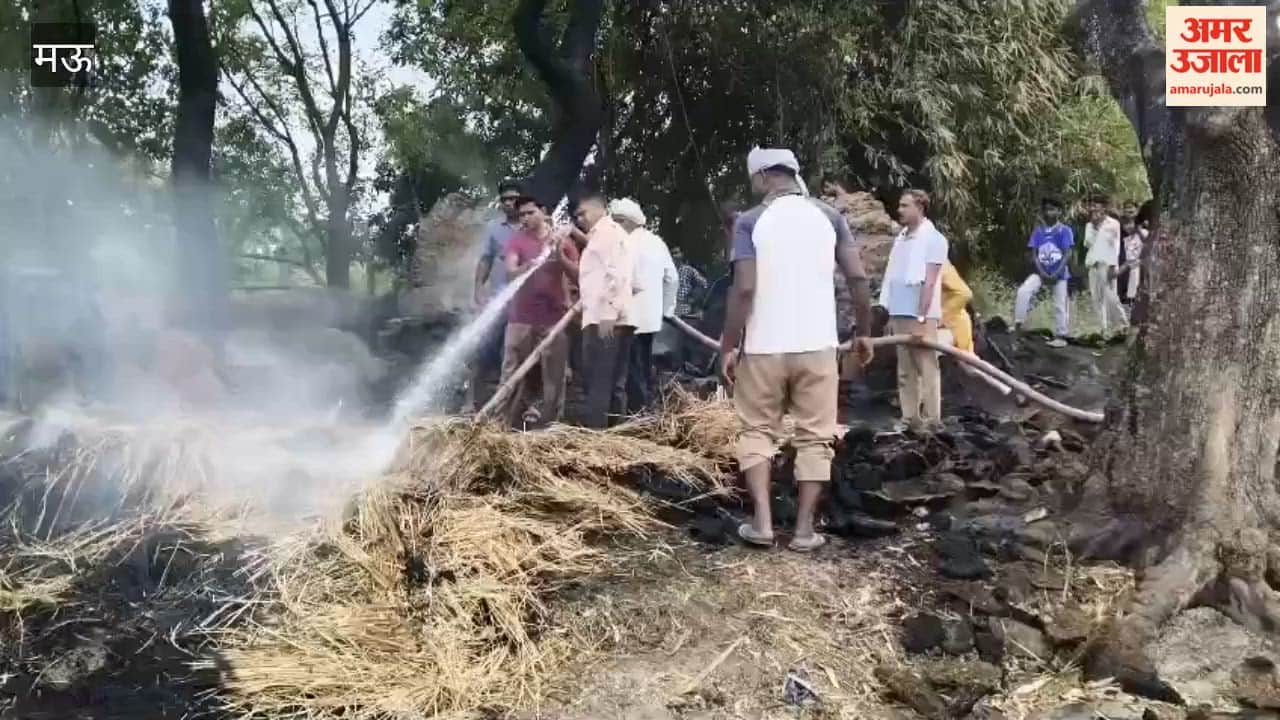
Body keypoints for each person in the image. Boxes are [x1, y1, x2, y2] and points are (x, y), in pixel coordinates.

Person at [721, 147, 874, 552]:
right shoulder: (830, 216)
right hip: (819, 347)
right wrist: (864, 333)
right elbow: (858, 280)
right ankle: (805, 531)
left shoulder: (750, 222)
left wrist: (728, 345)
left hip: (764, 348)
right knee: (815, 438)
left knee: (756, 431)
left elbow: (745, 288)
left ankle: (763, 525)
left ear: (761, 178)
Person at [496, 196, 580, 428]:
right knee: (512, 373)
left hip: (554, 320)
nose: (525, 218)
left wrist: (559, 256)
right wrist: (529, 266)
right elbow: (511, 272)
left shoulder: (562, 240)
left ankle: (550, 427)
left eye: (530, 213)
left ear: (543, 211)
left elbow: (577, 275)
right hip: (520, 319)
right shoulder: (516, 241)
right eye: (521, 215)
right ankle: (502, 425)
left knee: (554, 376)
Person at [881, 189, 948, 431]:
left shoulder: (934, 240)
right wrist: (890, 313)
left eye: (904, 205)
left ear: (919, 208)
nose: (899, 210)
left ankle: (932, 419)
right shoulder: (901, 240)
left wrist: (921, 317)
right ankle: (910, 418)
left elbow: (929, 282)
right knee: (905, 369)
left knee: (927, 367)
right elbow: (894, 277)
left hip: (921, 312)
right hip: (900, 310)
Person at [576, 191, 639, 428]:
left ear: (599, 209)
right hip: (607, 316)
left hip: (606, 319)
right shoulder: (606, 235)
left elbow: (618, 275)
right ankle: (612, 435)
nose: (580, 219)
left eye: (583, 213)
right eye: (577, 215)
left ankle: (596, 435)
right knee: (610, 382)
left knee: (599, 381)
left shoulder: (607, 234)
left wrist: (609, 314)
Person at [610, 198, 677, 413]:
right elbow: (672, 278)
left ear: (626, 221)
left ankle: (639, 411)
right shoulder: (657, 242)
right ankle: (646, 405)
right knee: (643, 364)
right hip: (650, 318)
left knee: (630, 368)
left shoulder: (623, 244)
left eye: (616, 221)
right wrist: (666, 310)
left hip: (627, 319)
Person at [465, 180, 524, 412]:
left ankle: (511, 407)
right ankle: (469, 402)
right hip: (497, 300)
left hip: (526, 305)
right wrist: (478, 291)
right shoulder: (494, 228)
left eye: (513, 198)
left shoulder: (530, 227)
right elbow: (485, 260)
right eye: (505, 199)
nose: (509, 203)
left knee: (514, 355)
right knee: (482, 350)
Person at [1014, 197, 1074, 347]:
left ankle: (1061, 335)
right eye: (1046, 210)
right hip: (1041, 272)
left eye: (1053, 209)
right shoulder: (1038, 231)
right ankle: (1018, 326)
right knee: (1023, 291)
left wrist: (1056, 274)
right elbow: (1034, 254)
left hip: (1059, 274)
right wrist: (1042, 272)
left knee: (1059, 304)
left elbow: (1067, 254)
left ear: (1059, 211)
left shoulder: (1064, 230)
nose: (1049, 213)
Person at [1083, 194, 1128, 335]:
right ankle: (1103, 328)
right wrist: (1095, 227)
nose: (1094, 207)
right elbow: (1087, 243)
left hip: (1106, 263)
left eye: (1097, 204)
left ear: (1104, 207)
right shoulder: (1089, 225)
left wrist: (1113, 265)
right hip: (1093, 263)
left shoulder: (1113, 223)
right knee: (1097, 298)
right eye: (1092, 205)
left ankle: (1122, 324)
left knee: (1110, 296)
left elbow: (1116, 246)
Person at [940, 263, 974, 353]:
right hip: (943, 328)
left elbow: (965, 293)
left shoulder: (941, 264)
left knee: (967, 362)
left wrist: (941, 317)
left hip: (954, 327)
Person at [672, 247, 708, 317]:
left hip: (684, 309)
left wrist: (693, 297)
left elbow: (704, 283)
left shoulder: (689, 270)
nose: (674, 255)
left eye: (676, 253)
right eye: (672, 253)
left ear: (682, 254)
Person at [1118, 218, 1144, 305]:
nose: (1127, 227)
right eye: (1125, 225)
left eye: (1130, 224)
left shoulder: (1143, 234)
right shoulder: (1124, 239)